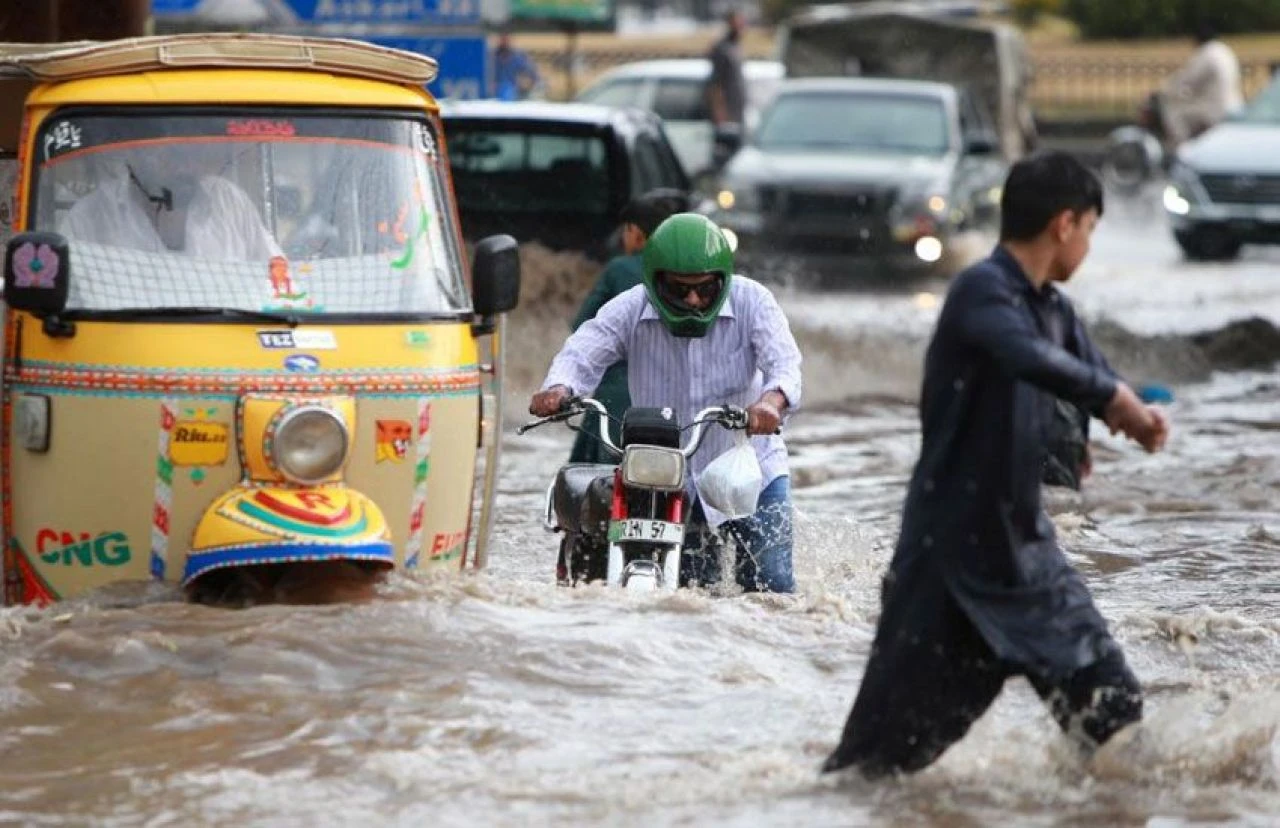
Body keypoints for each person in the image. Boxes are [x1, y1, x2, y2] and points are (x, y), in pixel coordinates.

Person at [822, 151, 1170, 780]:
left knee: (1114, 712)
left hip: (1026, 559)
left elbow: (1085, 374)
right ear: (1065, 224)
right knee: (876, 766)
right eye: (1090, 229)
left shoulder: (1055, 309)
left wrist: (1107, 417)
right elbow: (1025, 357)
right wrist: (1115, 400)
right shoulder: (982, 291)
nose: (1088, 245)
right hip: (946, 564)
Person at [530, 213, 802, 593]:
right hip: (668, 480)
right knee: (689, 593)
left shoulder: (753, 302)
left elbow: (785, 365)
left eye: (705, 289)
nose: (693, 299)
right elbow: (582, 352)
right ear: (656, 281)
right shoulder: (629, 308)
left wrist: (771, 404)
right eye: (680, 289)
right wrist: (558, 389)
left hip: (750, 472)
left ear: (721, 280)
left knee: (771, 588)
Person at [567, 187, 690, 465]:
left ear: (636, 233)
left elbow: (582, 326)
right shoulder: (688, 273)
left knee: (597, 480)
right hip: (674, 400)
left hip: (618, 396)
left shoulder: (619, 268)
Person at [62, 146, 281, 261]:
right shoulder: (92, 216)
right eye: (172, 155)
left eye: (192, 155)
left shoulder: (229, 203)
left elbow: (279, 279)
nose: (185, 168)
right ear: (134, 154)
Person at [1160, 21, 1244, 147]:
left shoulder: (1206, 53)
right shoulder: (1224, 50)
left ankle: (1181, 147)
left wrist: (1168, 88)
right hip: (1235, 105)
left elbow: (1188, 79)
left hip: (1215, 109)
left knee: (1174, 110)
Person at [705, 8, 748, 171]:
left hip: (738, 113)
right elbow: (715, 84)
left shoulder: (736, 47)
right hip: (727, 115)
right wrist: (720, 114)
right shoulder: (721, 49)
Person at [493, 31, 542, 102]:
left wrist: (531, 82)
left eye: (506, 40)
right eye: (502, 40)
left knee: (508, 92)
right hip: (494, 90)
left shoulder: (517, 56)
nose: (504, 42)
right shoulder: (492, 56)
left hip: (512, 90)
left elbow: (530, 71)